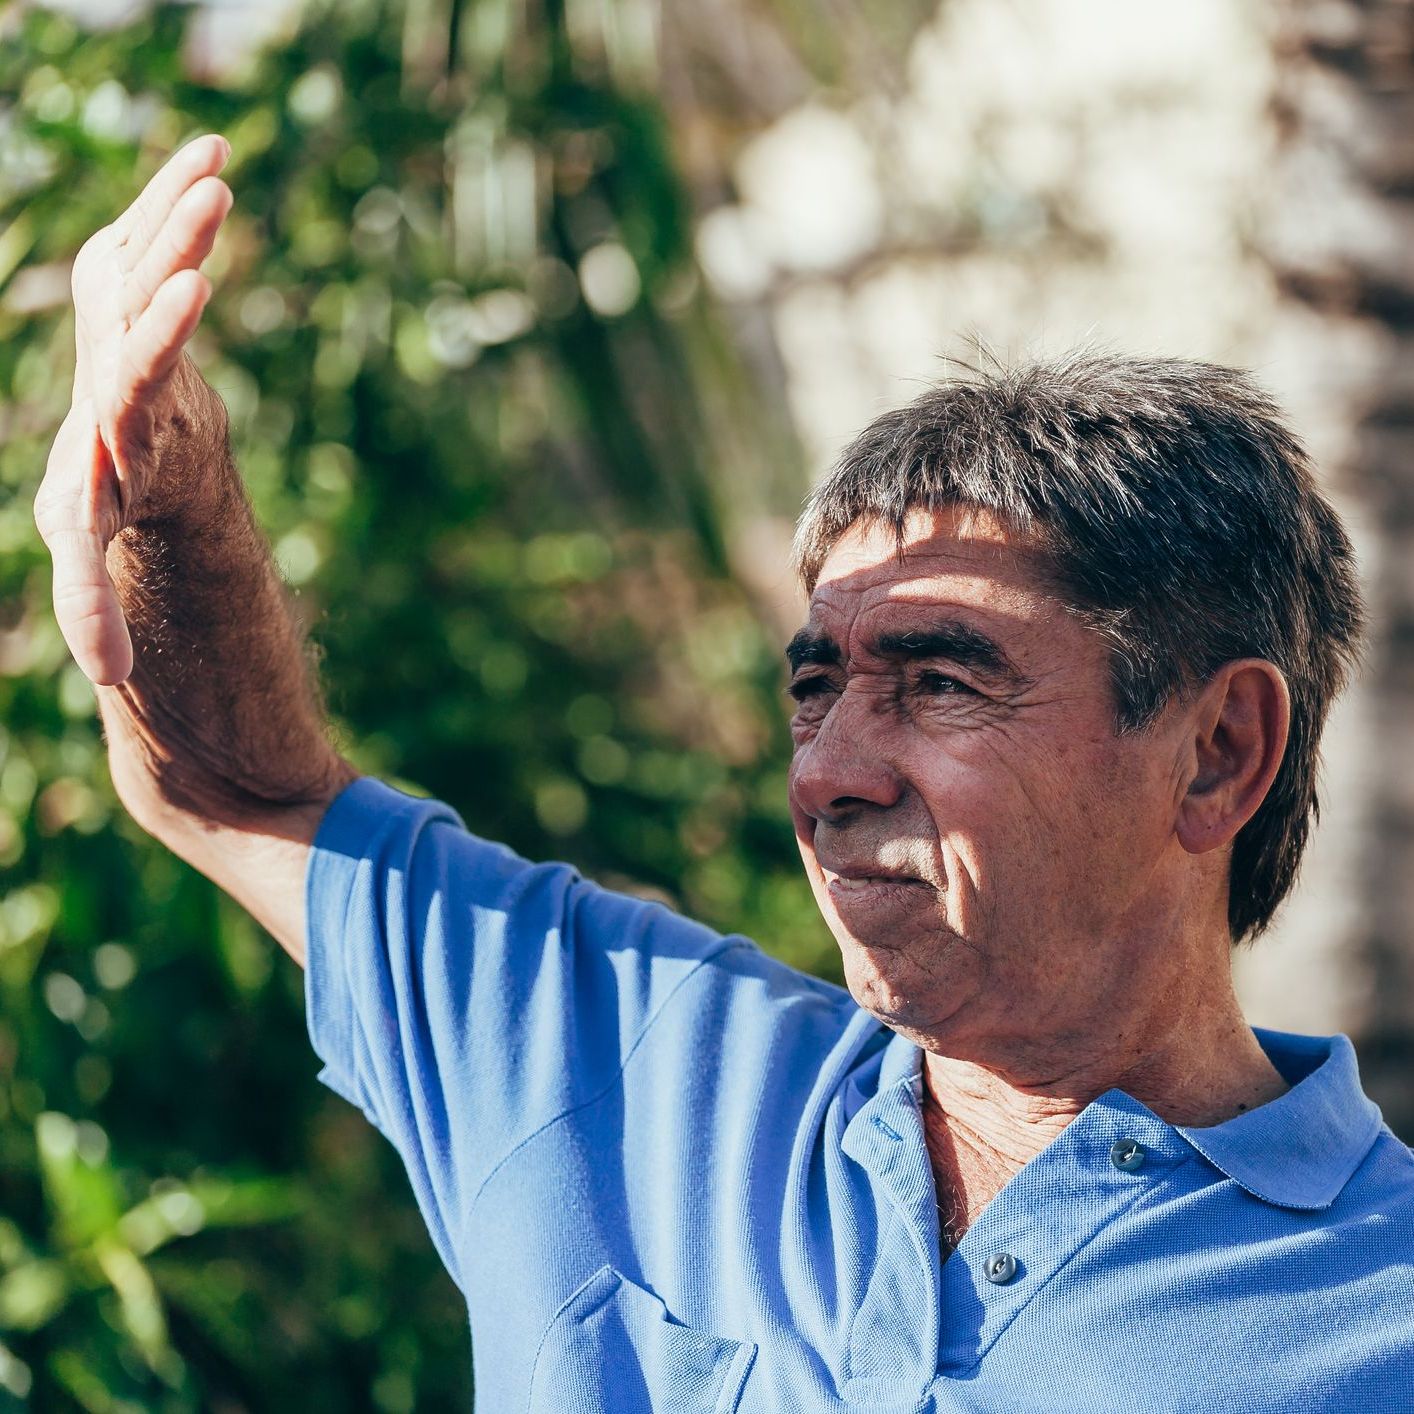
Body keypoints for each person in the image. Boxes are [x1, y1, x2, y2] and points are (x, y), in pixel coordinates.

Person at [35, 134, 1414, 1413]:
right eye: (816, 687)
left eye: (940, 681)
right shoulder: (623, 1060)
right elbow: (240, 787)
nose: (831, 773)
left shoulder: (1375, 1312)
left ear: (1216, 751)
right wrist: (169, 485)